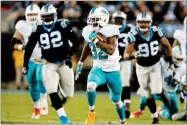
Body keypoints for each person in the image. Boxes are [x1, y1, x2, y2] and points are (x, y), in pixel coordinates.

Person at [23, 4, 80, 124]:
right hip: (48, 63)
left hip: (64, 62)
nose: (47, 19)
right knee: (51, 90)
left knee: (69, 94)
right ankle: (63, 118)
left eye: (49, 16)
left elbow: (76, 42)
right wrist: (25, 64)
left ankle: (59, 87)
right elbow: (29, 47)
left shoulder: (62, 24)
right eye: (45, 17)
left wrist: (69, 55)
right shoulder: (37, 28)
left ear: (54, 15)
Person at [75, 6, 126, 124]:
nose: (92, 22)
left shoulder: (111, 30)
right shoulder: (88, 30)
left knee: (117, 101)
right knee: (91, 85)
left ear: (103, 19)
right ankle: (92, 112)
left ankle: (123, 121)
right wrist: (80, 62)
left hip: (113, 71)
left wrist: (97, 41)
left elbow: (111, 50)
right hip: (99, 69)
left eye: (95, 19)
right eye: (91, 19)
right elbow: (88, 46)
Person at [124, 12, 172, 124]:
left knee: (156, 90)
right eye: (141, 22)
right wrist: (133, 55)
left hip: (155, 65)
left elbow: (167, 45)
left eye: (145, 22)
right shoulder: (133, 35)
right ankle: (155, 117)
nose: (143, 25)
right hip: (141, 68)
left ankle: (162, 93)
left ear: (150, 23)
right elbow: (126, 55)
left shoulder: (156, 31)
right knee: (148, 94)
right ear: (137, 23)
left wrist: (170, 59)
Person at [10, 4, 48, 119]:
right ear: (26, 15)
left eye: (34, 14)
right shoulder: (22, 26)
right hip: (30, 60)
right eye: (30, 15)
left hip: (43, 59)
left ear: (39, 15)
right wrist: (23, 47)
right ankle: (36, 108)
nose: (32, 17)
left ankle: (44, 101)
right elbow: (13, 43)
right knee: (32, 84)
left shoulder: (45, 24)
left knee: (41, 78)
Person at [131, 46, 186, 120]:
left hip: (172, 93)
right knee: (146, 98)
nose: (178, 61)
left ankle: (160, 112)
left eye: (180, 59)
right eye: (177, 58)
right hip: (160, 90)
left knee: (172, 116)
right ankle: (140, 111)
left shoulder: (184, 68)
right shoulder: (163, 62)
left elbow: (184, 83)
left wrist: (179, 81)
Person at [112, 11, 135, 118]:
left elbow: (136, 41)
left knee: (125, 82)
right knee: (116, 84)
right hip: (113, 60)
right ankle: (120, 105)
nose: (118, 21)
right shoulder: (109, 29)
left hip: (125, 60)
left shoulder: (130, 28)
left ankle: (127, 105)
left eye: (120, 19)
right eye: (116, 19)